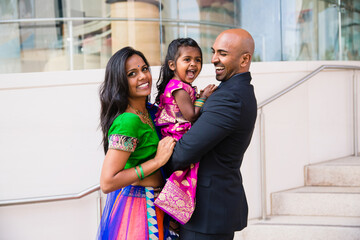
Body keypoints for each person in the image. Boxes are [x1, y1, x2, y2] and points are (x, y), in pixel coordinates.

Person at [166, 28, 257, 240]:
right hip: (210, 211)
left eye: (222, 54)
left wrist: (148, 168)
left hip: (207, 213)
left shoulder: (229, 98)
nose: (214, 59)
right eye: (214, 52)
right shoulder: (231, 92)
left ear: (244, 59)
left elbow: (183, 153)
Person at [97, 46, 177, 240]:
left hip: (158, 203)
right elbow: (107, 182)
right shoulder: (128, 121)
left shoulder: (151, 111)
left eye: (144, 69)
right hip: (138, 208)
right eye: (132, 74)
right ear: (120, 82)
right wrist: (157, 162)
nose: (143, 76)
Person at [153, 38, 217, 225]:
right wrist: (203, 97)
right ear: (172, 65)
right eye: (187, 59)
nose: (193, 64)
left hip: (178, 135)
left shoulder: (181, 86)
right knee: (187, 174)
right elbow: (192, 116)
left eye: (198, 60)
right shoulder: (179, 88)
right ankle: (174, 213)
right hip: (178, 137)